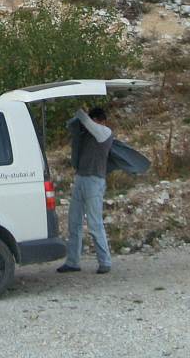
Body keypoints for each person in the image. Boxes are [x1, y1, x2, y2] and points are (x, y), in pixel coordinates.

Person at [58, 107, 114, 275]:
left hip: (94, 181)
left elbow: (87, 122)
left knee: (95, 223)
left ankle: (105, 262)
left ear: (99, 120)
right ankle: (72, 262)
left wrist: (79, 111)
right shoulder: (88, 133)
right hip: (81, 178)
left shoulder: (105, 132)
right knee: (74, 222)